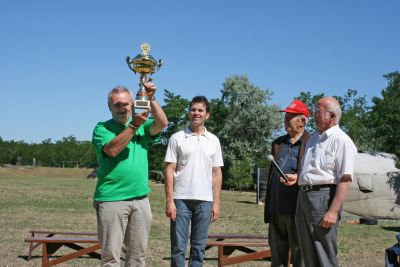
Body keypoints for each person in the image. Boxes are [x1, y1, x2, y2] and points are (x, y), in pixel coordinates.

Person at [92, 80, 168, 267]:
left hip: (141, 199)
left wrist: (152, 99)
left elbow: (162, 123)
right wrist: (133, 126)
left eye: (125, 104)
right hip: (112, 199)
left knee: (137, 257)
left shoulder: (142, 125)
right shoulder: (102, 128)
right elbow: (112, 150)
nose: (121, 108)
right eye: (116, 104)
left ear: (132, 104)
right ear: (109, 106)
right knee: (111, 258)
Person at [294, 97, 357, 267]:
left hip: (323, 198)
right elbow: (310, 169)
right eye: (315, 111)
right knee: (308, 252)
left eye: (318, 112)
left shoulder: (342, 141)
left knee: (323, 253)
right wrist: (298, 178)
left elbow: (345, 179)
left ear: (332, 116)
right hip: (303, 197)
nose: (314, 115)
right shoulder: (314, 139)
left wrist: (333, 211)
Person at [164, 96, 224, 267]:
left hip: (205, 201)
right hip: (180, 199)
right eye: (193, 110)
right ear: (189, 113)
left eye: (200, 110)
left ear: (207, 115)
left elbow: (216, 173)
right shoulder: (177, 138)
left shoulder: (213, 140)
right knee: (178, 248)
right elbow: (169, 169)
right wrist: (169, 201)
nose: (196, 113)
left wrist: (216, 203)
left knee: (198, 248)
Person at [264, 99, 310, 267]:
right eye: (285, 116)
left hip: (297, 211)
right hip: (276, 209)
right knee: (277, 257)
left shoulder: (312, 144)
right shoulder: (277, 143)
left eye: (290, 116)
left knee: (299, 256)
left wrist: (298, 177)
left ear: (302, 121)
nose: (285, 120)